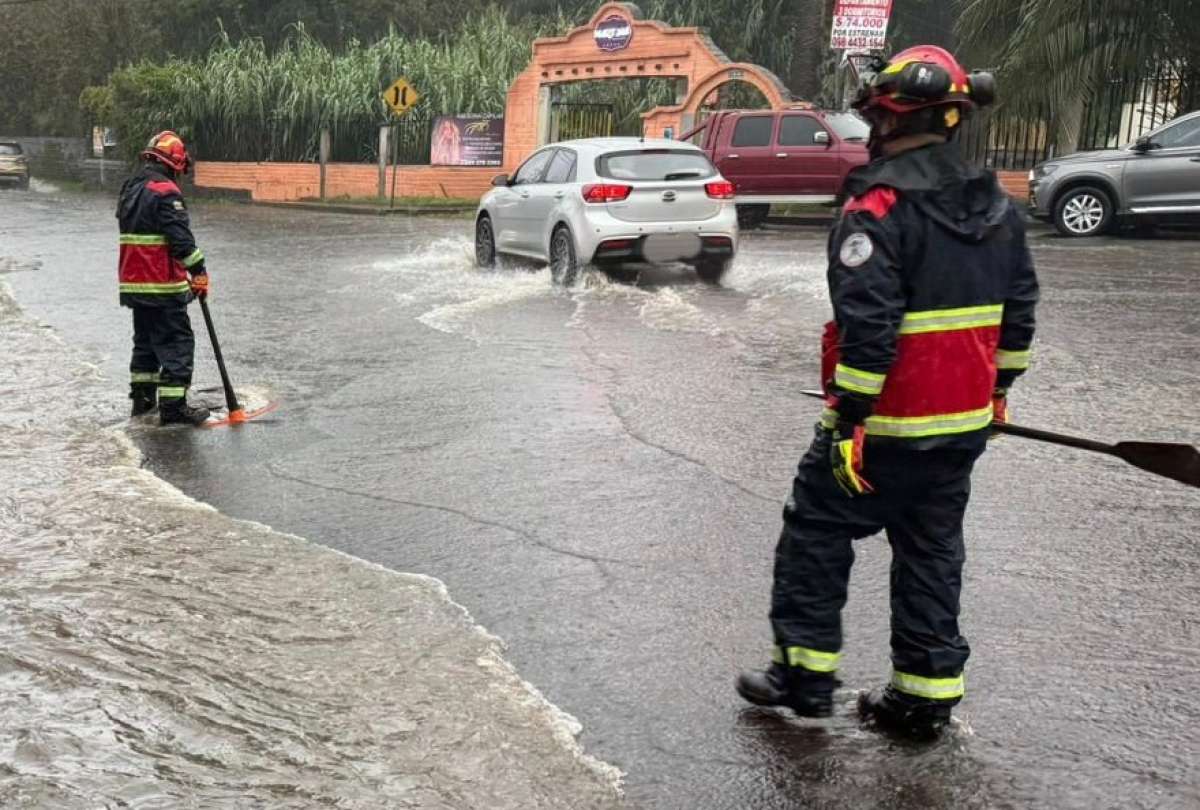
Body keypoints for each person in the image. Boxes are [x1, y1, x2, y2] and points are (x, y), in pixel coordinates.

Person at [736, 46, 1039, 738]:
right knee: (931, 551)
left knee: (815, 530)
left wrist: (847, 420)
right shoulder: (995, 206)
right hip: (959, 430)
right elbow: (1019, 316)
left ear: (886, 117)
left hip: (884, 431)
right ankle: (923, 700)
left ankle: (805, 679)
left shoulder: (876, 206)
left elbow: (868, 329)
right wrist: (998, 394)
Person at [117, 130, 211, 426]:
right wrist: (199, 272)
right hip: (161, 283)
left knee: (145, 343)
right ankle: (174, 408)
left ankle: (143, 403)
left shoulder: (131, 187)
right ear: (174, 164)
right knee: (176, 342)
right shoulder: (165, 191)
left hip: (133, 284)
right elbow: (180, 240)